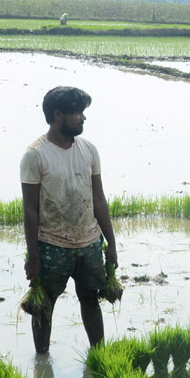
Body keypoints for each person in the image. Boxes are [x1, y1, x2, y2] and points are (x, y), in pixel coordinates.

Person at [20, 86, 119, 352]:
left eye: (83, 112)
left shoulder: (89, 150)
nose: (83, 118)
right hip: (52, 245)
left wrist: (111, 244)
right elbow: (30, 210)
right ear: (57, 115)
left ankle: (100, 356)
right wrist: (34, 256)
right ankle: (42, 362)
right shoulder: (36, 155)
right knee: (45, 304)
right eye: (77, 113)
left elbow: (98, 200)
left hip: (88, 243)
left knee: (90, 299)